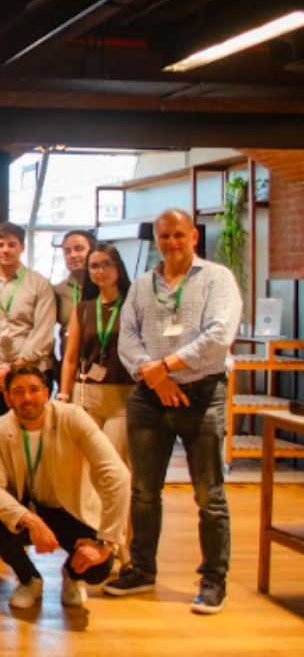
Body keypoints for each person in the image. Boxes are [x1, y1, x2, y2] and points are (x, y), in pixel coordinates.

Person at [105, 209, 241, 615]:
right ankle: (142, 570)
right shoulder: (143, 284)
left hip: (202, 395)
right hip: (149, 396)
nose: (171, 243)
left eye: (178, 235)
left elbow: (219, 336)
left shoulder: (218, 279)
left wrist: (165, 368)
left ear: (194, 236)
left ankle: (213, 580)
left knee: (209, 495)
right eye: (164, 236)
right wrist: (155, 377)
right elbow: (126, 336)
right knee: (144, 492)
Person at [0, 366, 129, 610]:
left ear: (47, 393)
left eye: (34, 390)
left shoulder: (73, 417)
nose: (27, 398)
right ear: (7, 398)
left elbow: (117, 475)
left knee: (99, 568)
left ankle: (73, 575)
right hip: (27, 510)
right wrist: (28, 519)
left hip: (69, 510)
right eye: (18, 391)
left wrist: (106, 543)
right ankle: (29, 579)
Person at [0, 221, 57, 416]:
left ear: (22, 248)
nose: (6, 250)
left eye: (11, 244)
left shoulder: (40, 285)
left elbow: (42, 334)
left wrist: (11, 371)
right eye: (0, 245)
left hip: (31, 374)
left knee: (33, 435)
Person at [58, 241, 134, 463]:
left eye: (106, 264)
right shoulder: (83, 309)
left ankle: (116, 500)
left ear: (118, 266)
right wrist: (64, 395)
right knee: (85, 462)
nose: (100, 271)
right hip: (86, 394)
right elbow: (70, 358)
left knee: (112, 462)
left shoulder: (132, 306)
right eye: (94, 266)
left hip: (122, 395)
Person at [54, 230, 95, 349]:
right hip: (68, 363)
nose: (73, 255)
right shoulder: (58, 291)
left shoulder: (107, 288)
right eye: (67, 251)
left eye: (79, 249)